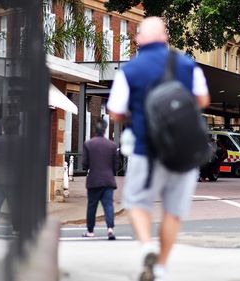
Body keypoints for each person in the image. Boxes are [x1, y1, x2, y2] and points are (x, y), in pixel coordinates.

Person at [107, 17, 210, 281]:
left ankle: (146, 246)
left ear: (140, 40)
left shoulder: (129, 71)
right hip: (184, 152)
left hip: (146, 150)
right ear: (166, 38)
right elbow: (203, 99)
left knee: (137, 203)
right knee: (173, 212)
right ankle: (162, 267)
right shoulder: (187, 64)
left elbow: (115, 112)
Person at [82, 119, 118, 240]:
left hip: (94, 180)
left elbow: (84, 164)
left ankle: (90, 231)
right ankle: (110, 229)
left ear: (94, 129)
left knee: (92, 206)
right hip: (108, 180)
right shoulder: (112, 145)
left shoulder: (88, 144)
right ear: (105, 130)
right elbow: (115, 166)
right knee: (108, 205)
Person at [0, 116, 21, 238]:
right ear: (18, 127)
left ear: (4, 127)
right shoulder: (22, 141)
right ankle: (16, 229)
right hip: (15, 179)